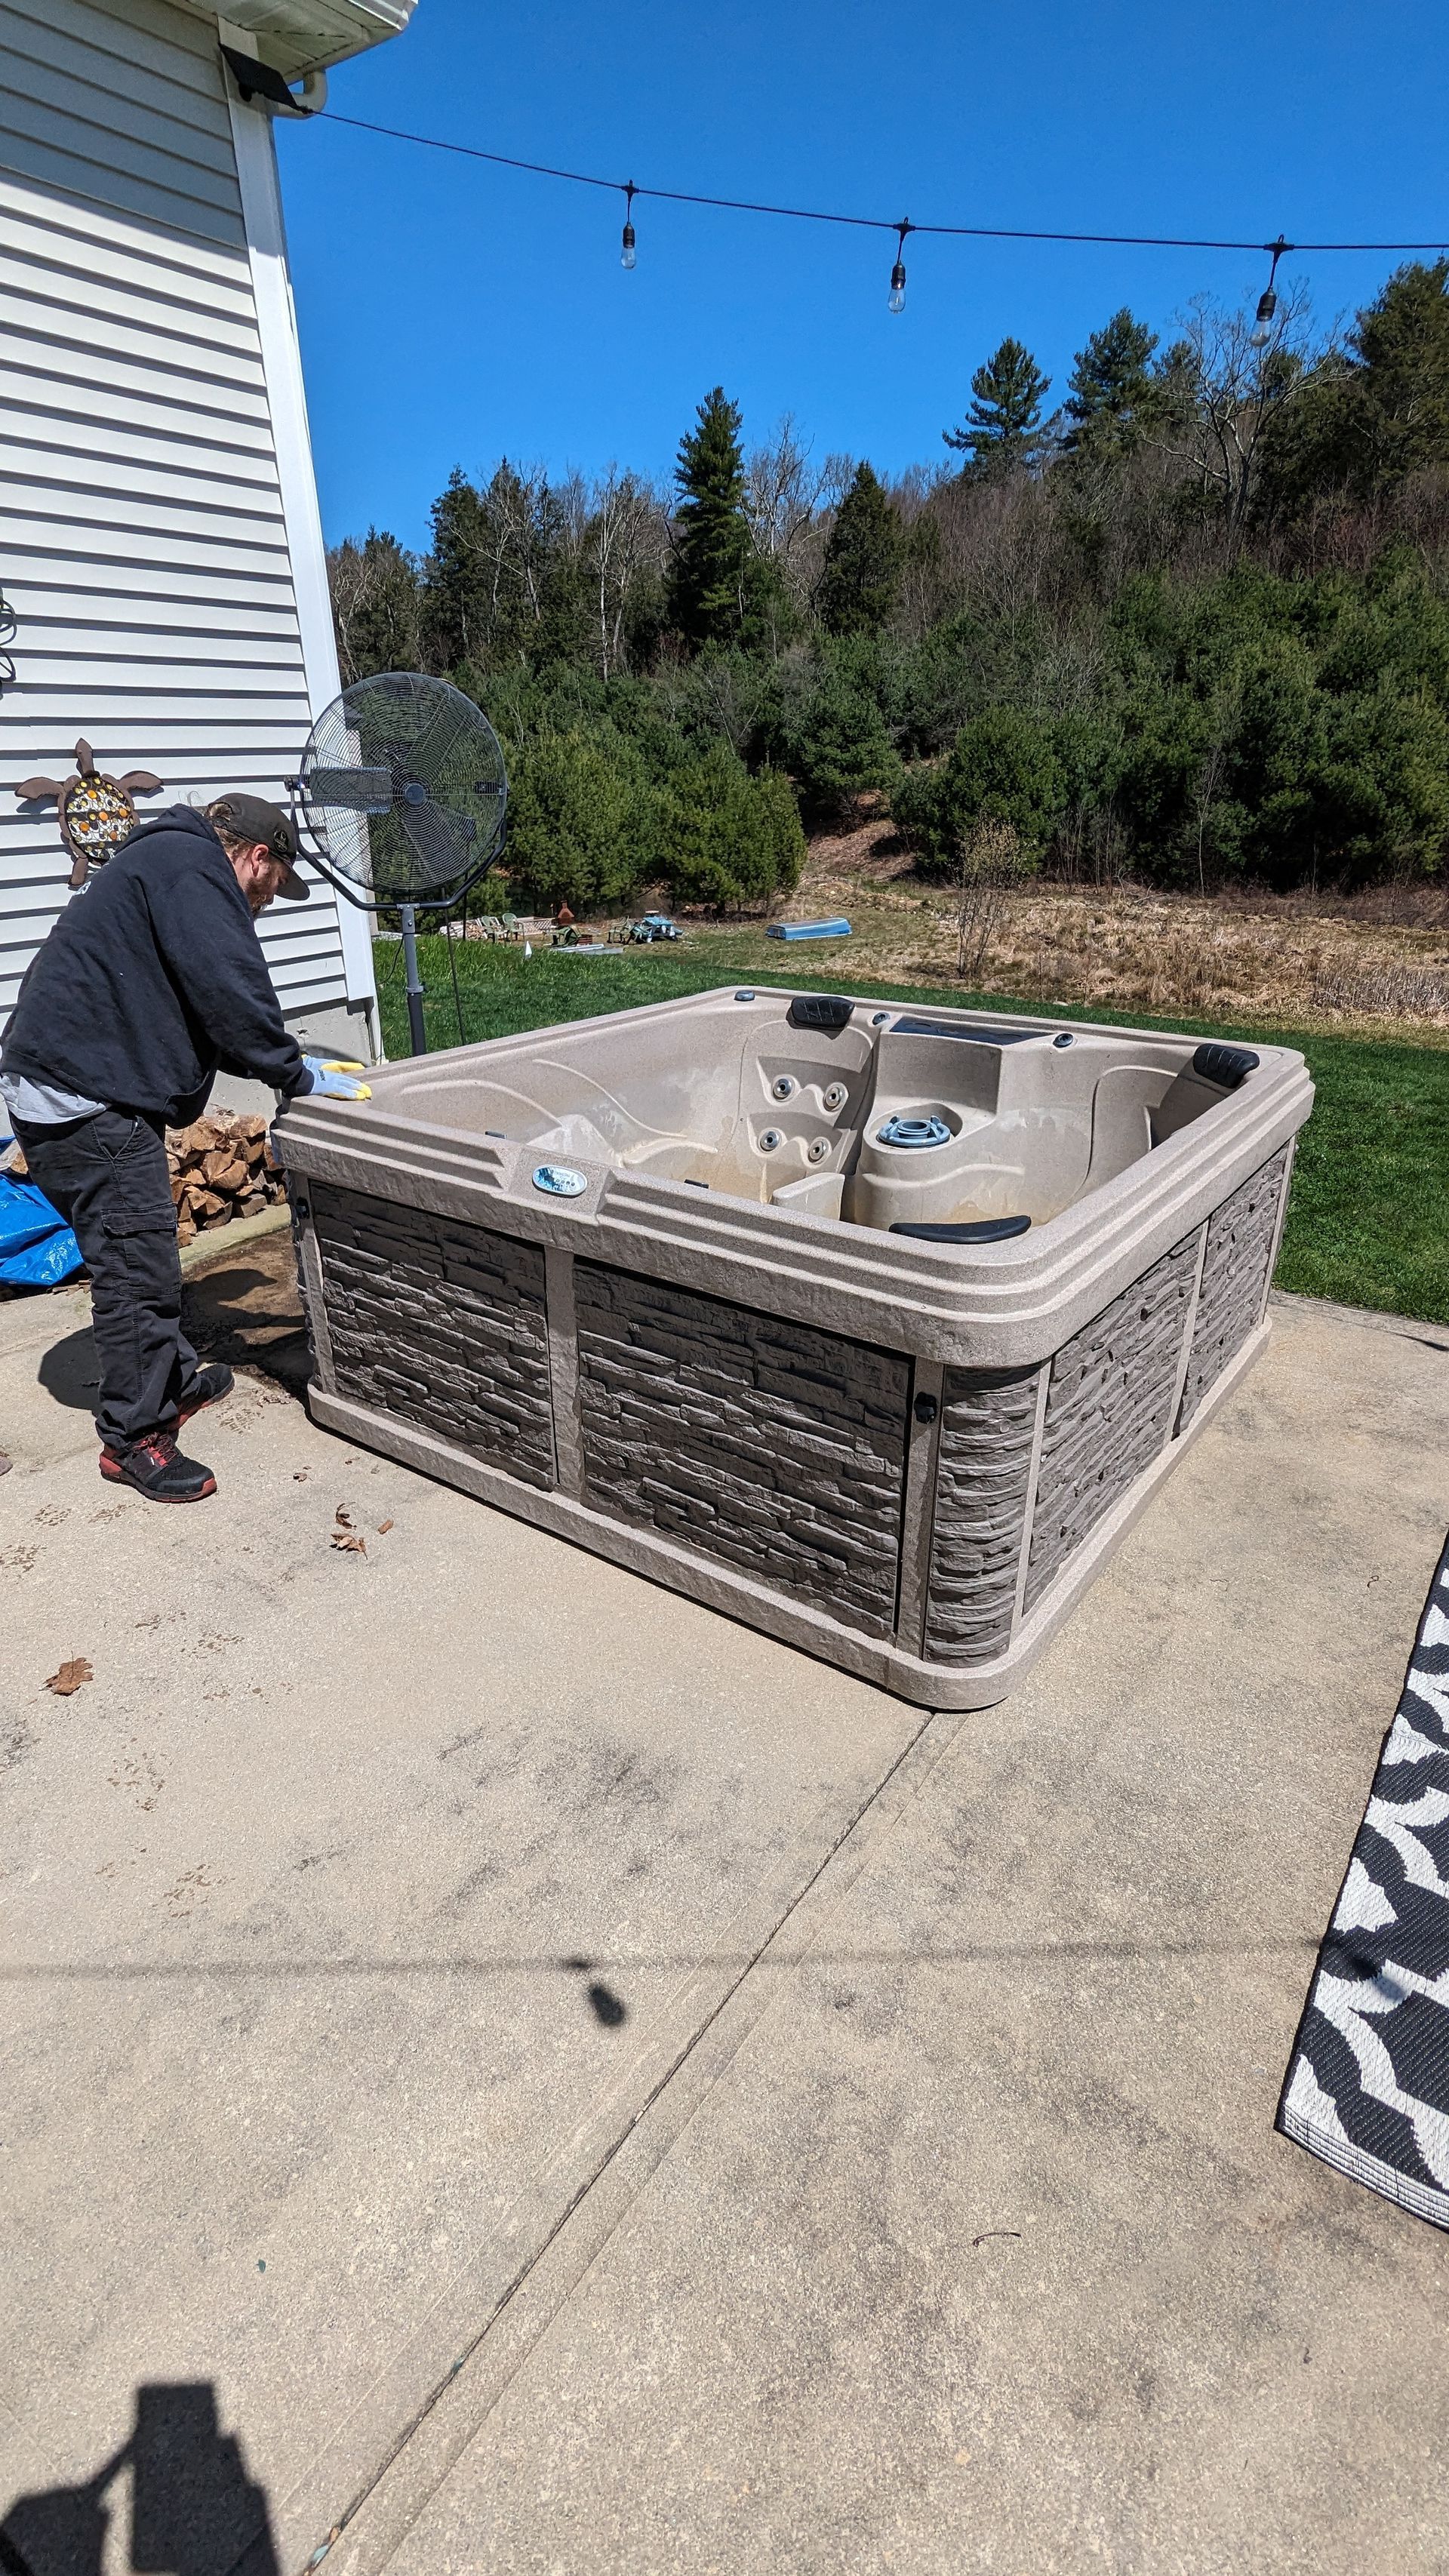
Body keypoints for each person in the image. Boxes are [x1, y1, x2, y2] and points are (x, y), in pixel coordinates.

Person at [0, 794, 371, 1503]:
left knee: (144, 1252)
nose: (266, 903)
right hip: (81, 1098)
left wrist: (284, 1061)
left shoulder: (169, 861)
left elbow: (204, 1002)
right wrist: (295, 1074)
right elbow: (230, 991)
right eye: (272, 885)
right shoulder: (194, 871)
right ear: (257, 856)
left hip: (70, 1082)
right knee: (137, 1265)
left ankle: (168, 1382)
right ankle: (134, 1439)